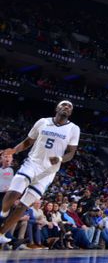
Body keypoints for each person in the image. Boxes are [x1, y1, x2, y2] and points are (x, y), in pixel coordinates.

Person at [0, 100, 80, 246]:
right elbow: (27, 141)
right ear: (57, 108)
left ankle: (1, 233)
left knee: (23, 205)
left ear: (71, 112)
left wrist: (61, 159)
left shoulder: (74, 129)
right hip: (32, 163)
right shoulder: (42, 122)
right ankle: (3, 213)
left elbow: (71, 153)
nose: (66, 107)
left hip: (48, 173)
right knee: (14, 193)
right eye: (64, 105)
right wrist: (14, 150)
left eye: (70, 107)